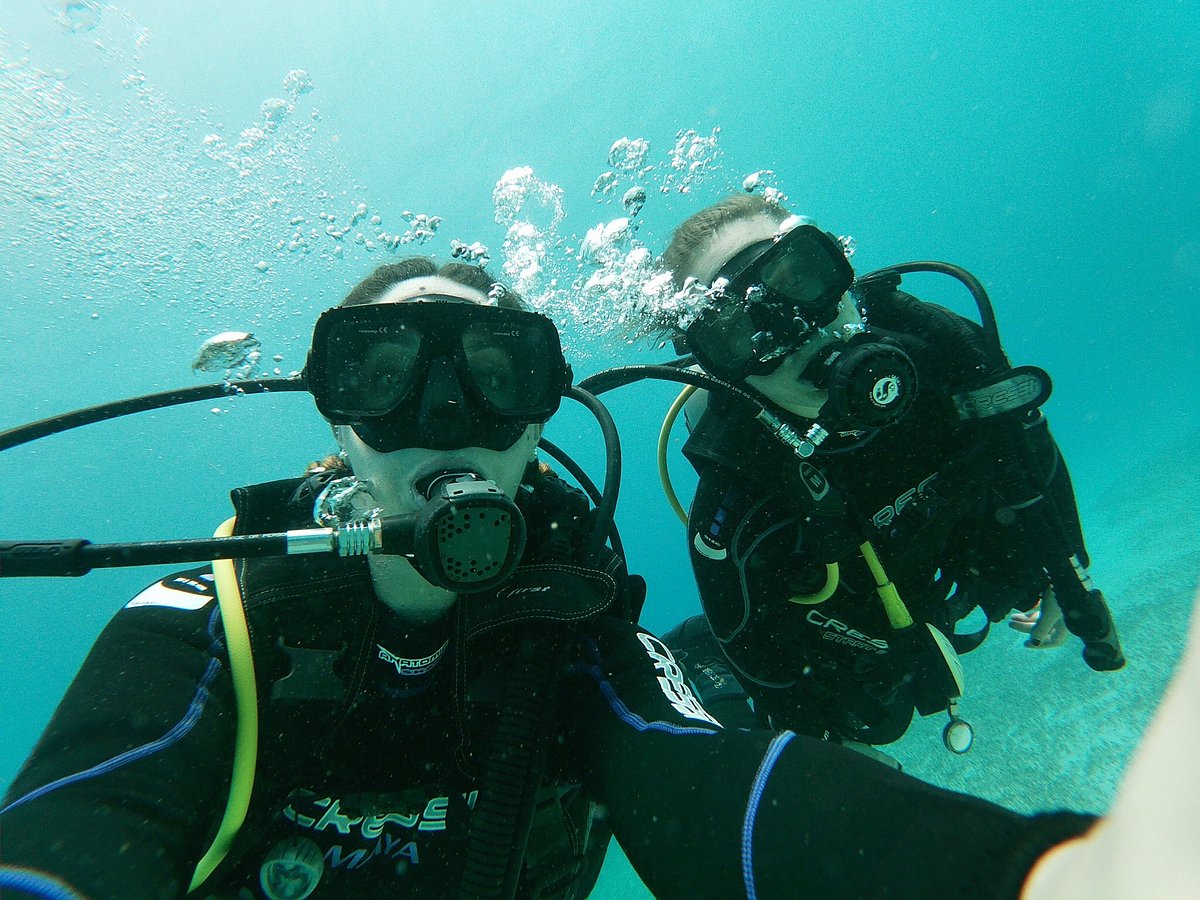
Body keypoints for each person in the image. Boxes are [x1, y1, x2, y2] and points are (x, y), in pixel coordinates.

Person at [0, 257, 1134, 899]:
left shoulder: (579, 631)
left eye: (496, 374)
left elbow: (706, 779)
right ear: (335, 422)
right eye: (386, 376)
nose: (445, 420)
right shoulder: (212, 620)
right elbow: (70, 829)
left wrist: (1039, 878)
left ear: (541, 412)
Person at [653, 194, 1123, 753]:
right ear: (718, 365)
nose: (800, 330)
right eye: (738, 328)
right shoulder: (739, 494)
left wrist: (1062, 568)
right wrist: (823, 748)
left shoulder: (944, 358)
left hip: (934, 574)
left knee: (1009, 572)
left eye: (800, 276)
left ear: (840, 273)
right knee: (869, 718)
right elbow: (758, 653)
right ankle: (689, 648)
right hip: (849, 632)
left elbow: (1024, 452)